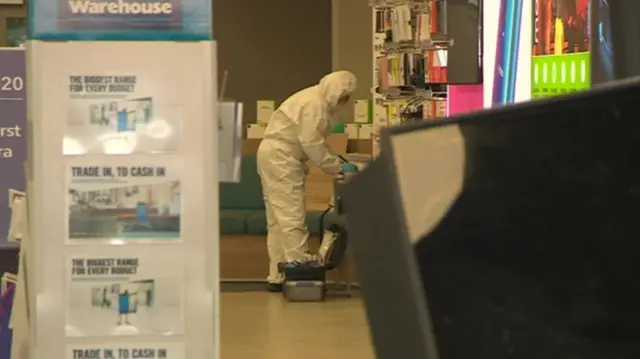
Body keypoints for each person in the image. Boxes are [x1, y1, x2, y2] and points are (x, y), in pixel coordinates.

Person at [257, 70, 359, 292]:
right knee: (292, 215)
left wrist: (335, 162)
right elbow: (312, 144)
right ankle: (301, 277)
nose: (345, 101)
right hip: (282, 157)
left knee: (278, 220)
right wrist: (338, 167)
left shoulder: (316, 101)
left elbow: (316, 143)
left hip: (278, 155)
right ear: (334, 90)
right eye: (344, 95)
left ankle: (279, 275)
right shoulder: (313, 105)